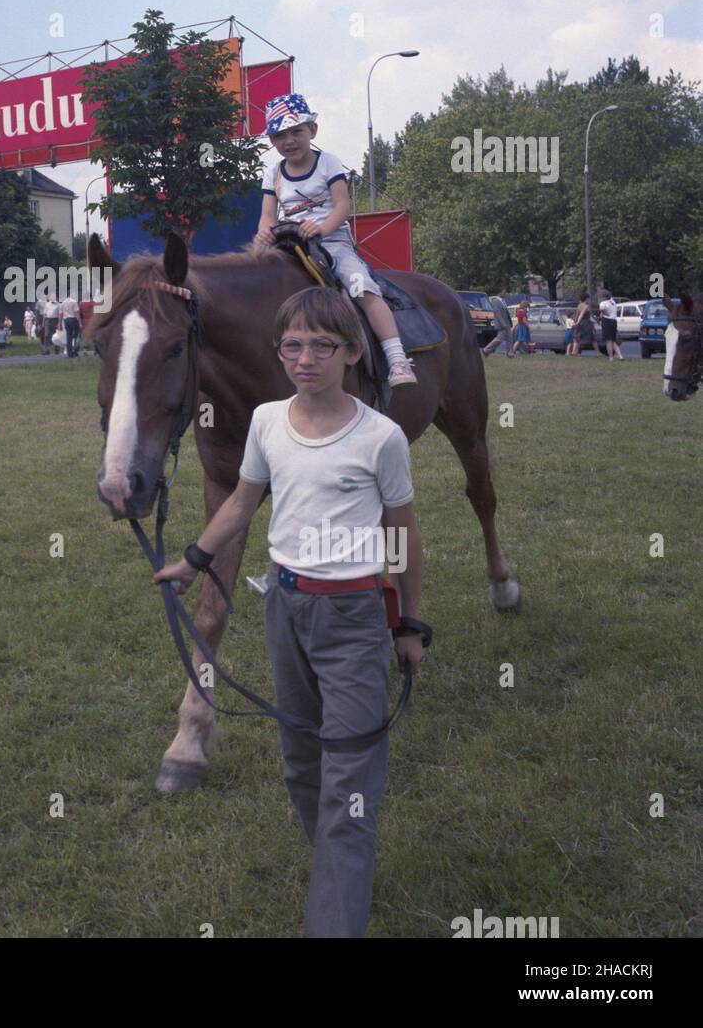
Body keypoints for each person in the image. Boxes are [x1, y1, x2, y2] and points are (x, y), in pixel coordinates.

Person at [154, 286, 426, 938]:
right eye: (293, 345)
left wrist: (409, 620)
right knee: (302, 762)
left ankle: (334, 909)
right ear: (278, 352)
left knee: (348, 778)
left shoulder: (382, 437)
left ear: (354, 353)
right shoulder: (269, 421)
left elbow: (403, 536)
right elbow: (243, 503)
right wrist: (194, 557)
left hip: (354, 618)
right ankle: (340, 867)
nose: (305, 358)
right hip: (285, 607)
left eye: (322, 345)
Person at [256, 95, 417, 387]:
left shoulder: (327, 162)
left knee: (360, 285)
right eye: (280, 135)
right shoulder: (273, 173)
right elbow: (267, 215)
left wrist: (321, 228)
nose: (289, 140)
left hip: (332, 242)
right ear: (272, 140)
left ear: (312, 131)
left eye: (296, 131)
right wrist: (264, 233)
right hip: (289, 242)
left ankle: (397, 359)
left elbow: (342, 205)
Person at [599, 290, 623, 361]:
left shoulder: (603, 303)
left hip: (607, 321)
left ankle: (611, 357)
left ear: (604, 297)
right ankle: (620, 356)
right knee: (613, 340)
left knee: (608, 341)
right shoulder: (613, 302)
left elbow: (602, 309)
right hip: (614, 321)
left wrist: (605, 314)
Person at [61, 293, 81, 358]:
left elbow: (61, 313)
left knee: (68, 337)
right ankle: (75, 350)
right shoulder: (74, 302)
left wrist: (60, 322)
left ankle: (69, 353)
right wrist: (80, 322)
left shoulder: (63, 302)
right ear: (71, 295)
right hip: (73, 319)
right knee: (76, 335)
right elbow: (76, 312)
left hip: (66, 320)